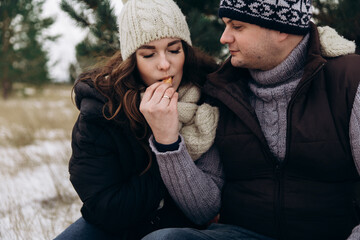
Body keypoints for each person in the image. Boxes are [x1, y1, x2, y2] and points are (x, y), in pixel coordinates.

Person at [142, 0, 360, 240]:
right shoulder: (223, 88)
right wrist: (167, 142)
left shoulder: (349, 81)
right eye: (226, 25)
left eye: (237, 26)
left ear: (281, 29)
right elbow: (202, 209)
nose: (224, 38)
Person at [53, 0, 224, 239]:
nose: (165, 65)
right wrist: (165, 162)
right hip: (118, 225)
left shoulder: (208, 100)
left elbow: (204, 209)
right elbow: (105, 206)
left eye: (174, 50)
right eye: (148, 54)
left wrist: (168, 142)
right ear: (132, 59)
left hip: (181, 228)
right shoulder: (102, 107)